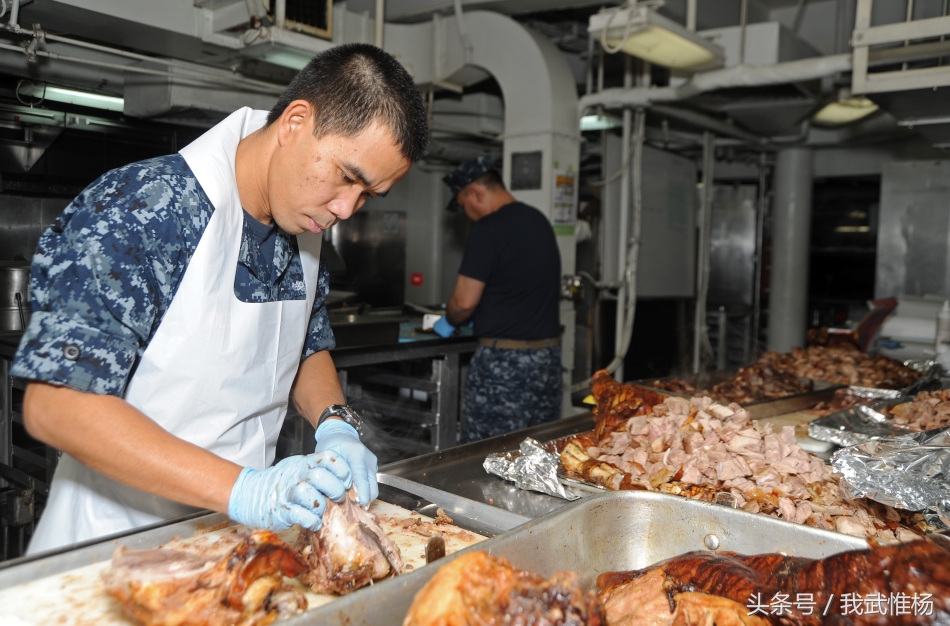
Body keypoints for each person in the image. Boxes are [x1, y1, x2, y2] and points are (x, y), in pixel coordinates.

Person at [12, 43, 429, 554]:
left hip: (234, 544)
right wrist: (245, 489)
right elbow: (56, 404)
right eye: (347, 177)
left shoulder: (304, 223)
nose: (347, 208)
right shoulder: (146, 207)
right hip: (112, 548)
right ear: (295, 122)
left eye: (368, 196)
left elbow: (303, 342)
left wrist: (335, 422)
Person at [435, 155, 563, 442]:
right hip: (547, 361)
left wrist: (448, 320)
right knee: (539, 451)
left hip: (505, 367)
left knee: (488, 454)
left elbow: (464, 303)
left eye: (462, 204)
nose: (466, 213)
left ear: (475, 193)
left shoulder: (488, 229)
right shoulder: (538, 220)